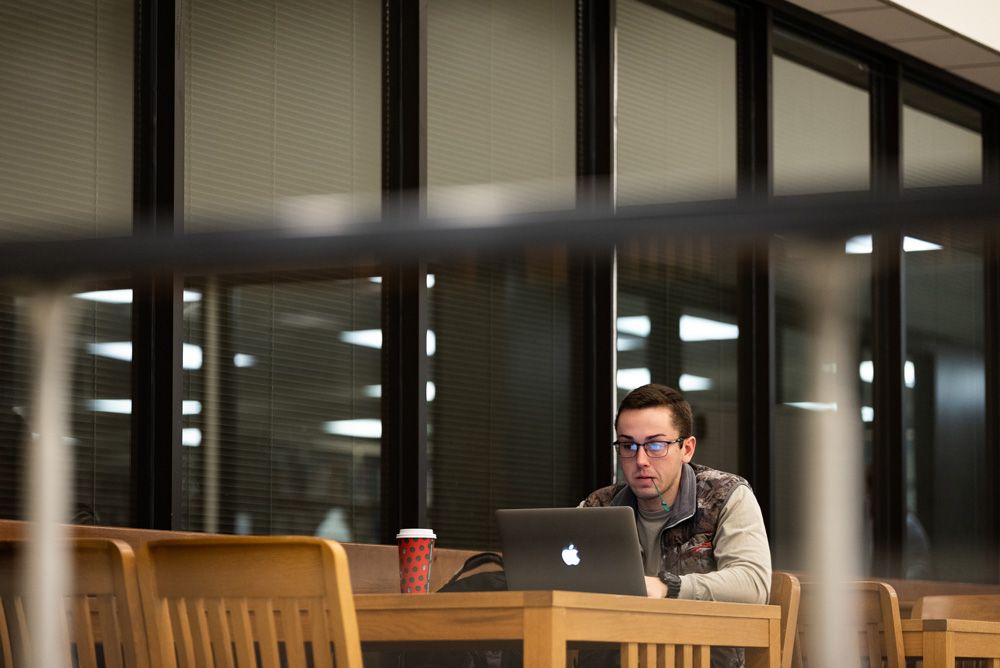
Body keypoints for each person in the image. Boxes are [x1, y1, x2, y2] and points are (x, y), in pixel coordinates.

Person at [579, 384, 771, 668]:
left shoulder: (726, 495)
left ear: (686, 449)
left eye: (656, 445)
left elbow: (753, 584)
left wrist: (668, 588)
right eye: (628, 446)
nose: (640, 460)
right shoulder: (599, 507)